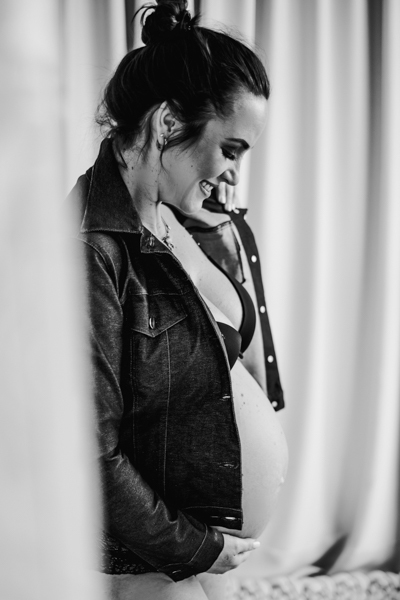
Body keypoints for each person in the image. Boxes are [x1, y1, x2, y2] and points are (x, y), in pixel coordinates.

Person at [68, 1, 288, 598]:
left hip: (195, 546)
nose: (233, 174)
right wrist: (197, 547)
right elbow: (91, 454)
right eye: (231, 149)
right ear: (168, 124)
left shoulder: (168, 215)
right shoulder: (90, 249)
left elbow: (228, 342)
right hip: (142, 557)